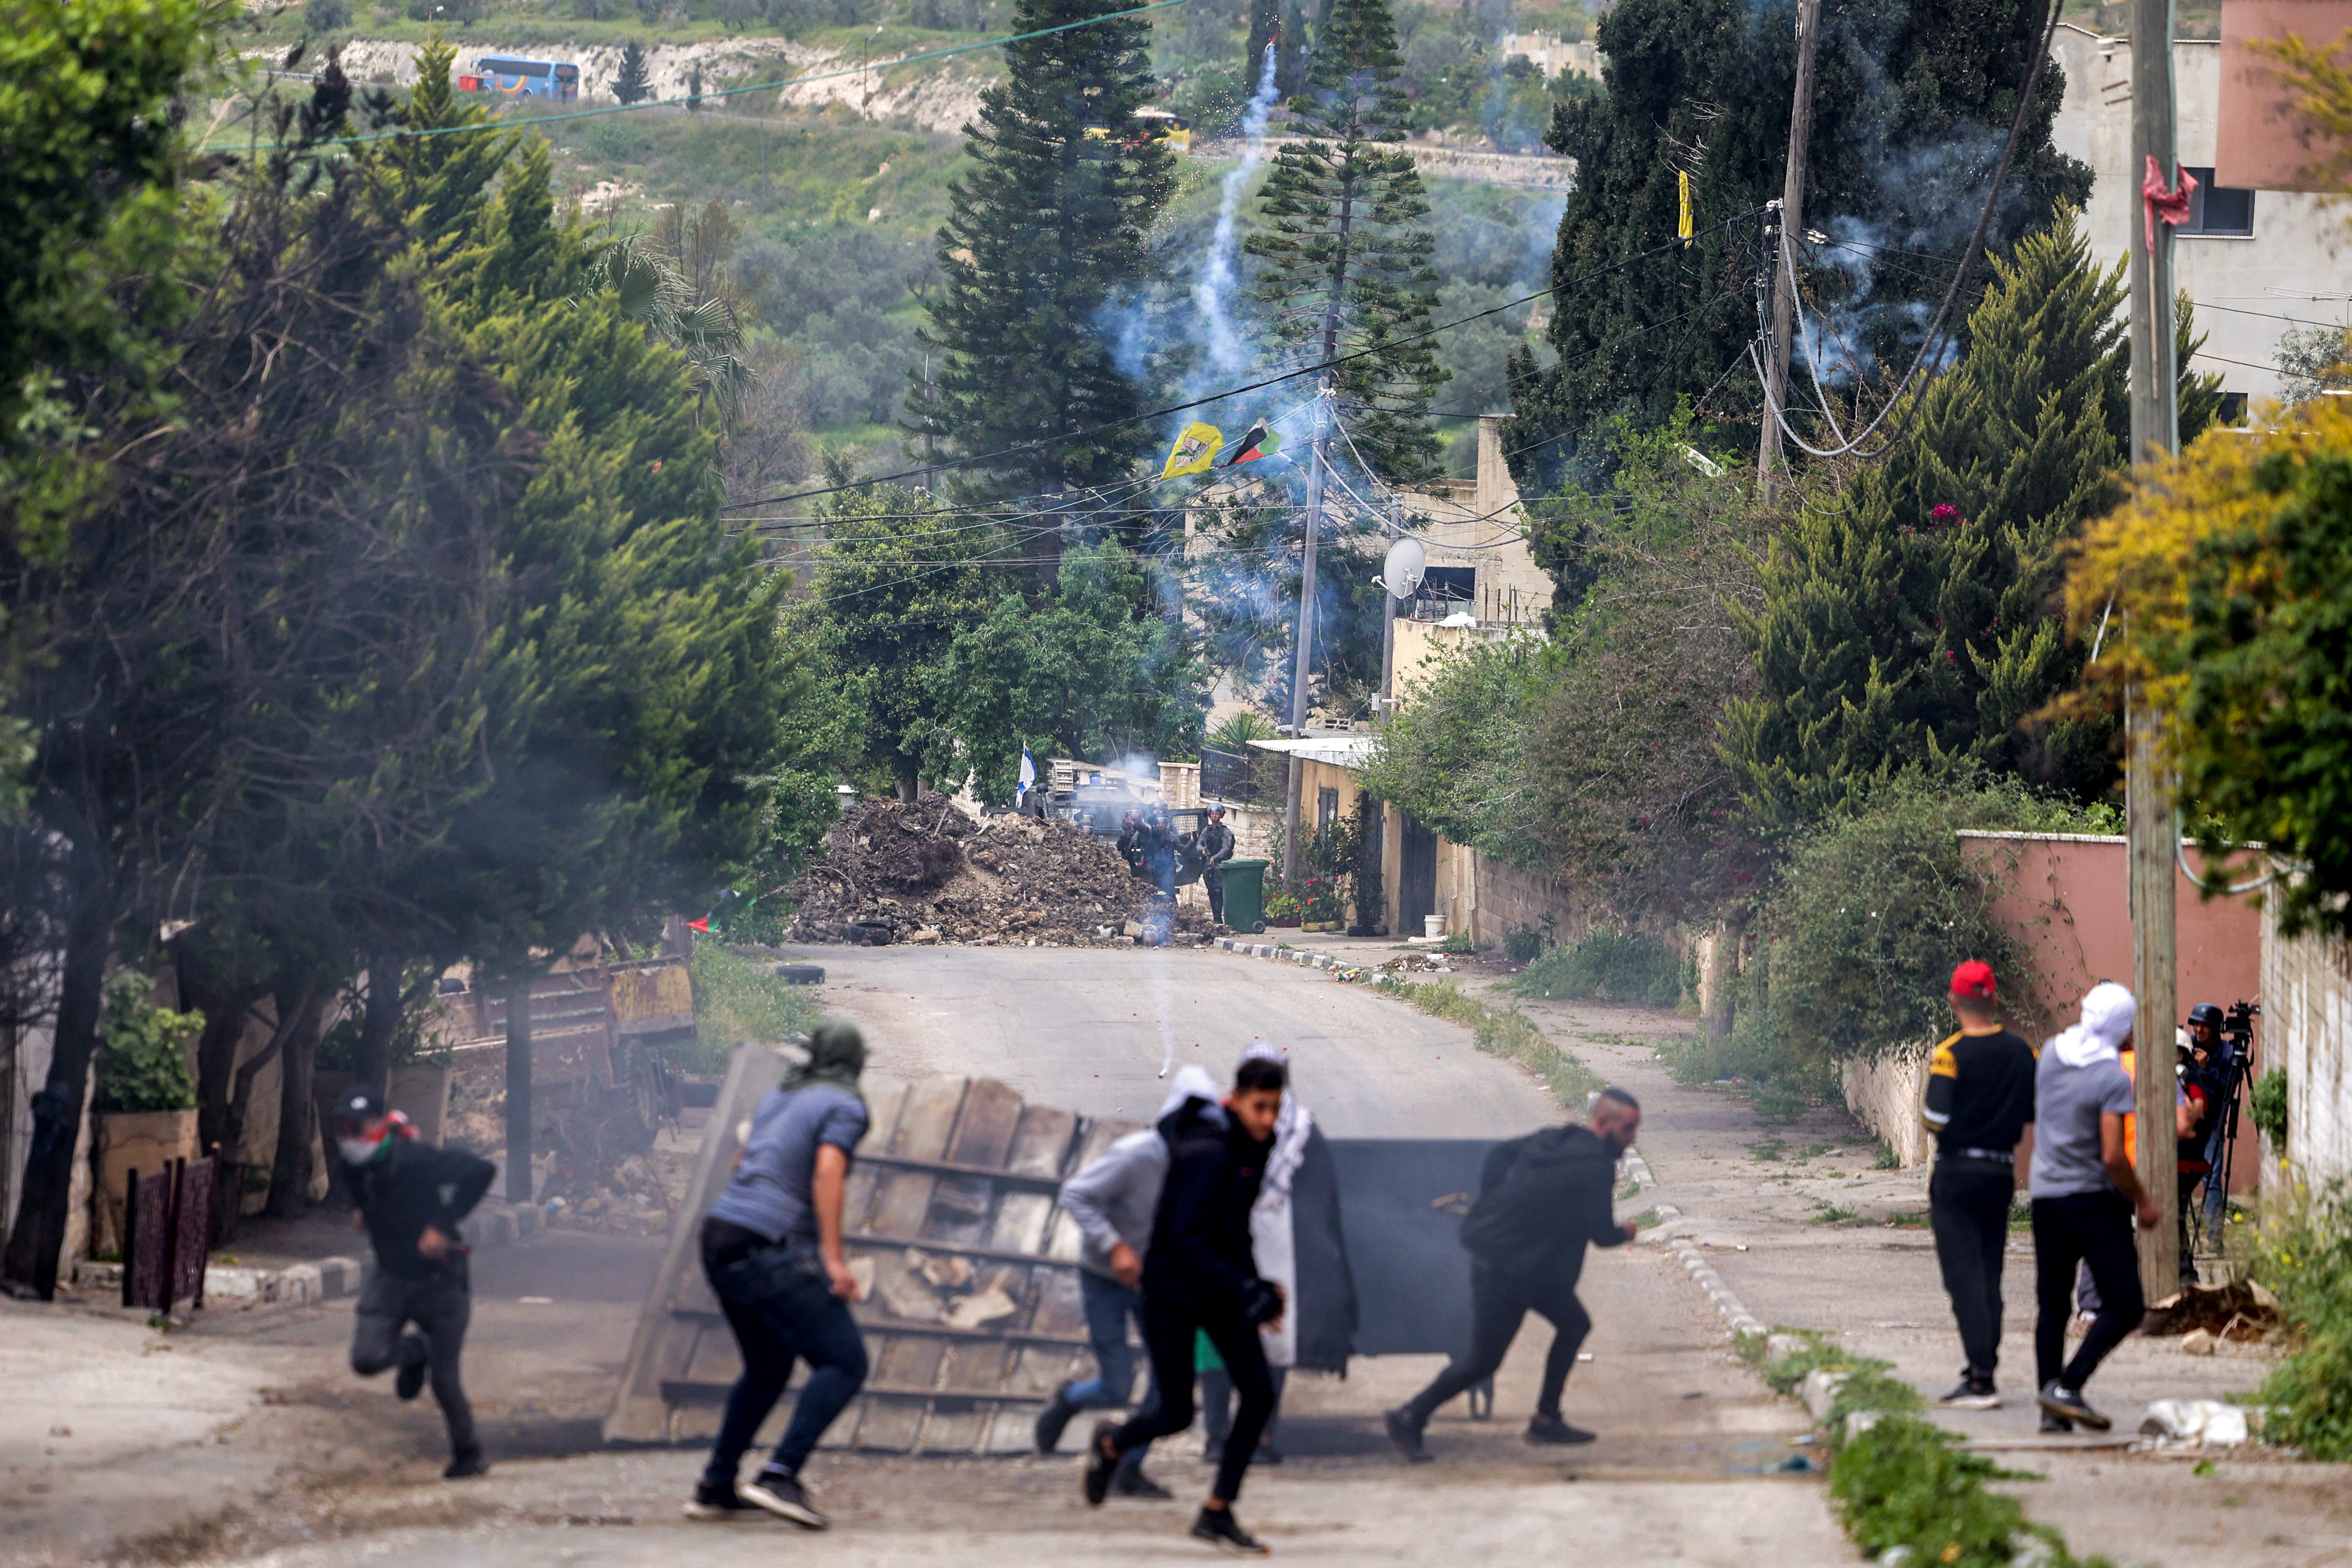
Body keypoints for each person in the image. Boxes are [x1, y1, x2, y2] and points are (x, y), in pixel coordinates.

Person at [1082, 1056, 1288, 1557]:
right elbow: (1187, 1240)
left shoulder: (1257, 1146)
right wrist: (1244, 1289)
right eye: (1259, 1107)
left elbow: (1234, 1227)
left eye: (1275, 1108)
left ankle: (1217, 1509)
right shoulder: (1207, 1151)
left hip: (1217, 1290)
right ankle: (1112, 1442)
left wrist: (1257, 1286)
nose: (1267, 1119)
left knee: (1258, 1393)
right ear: (1235, 1099)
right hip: (1170, 1290)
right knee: (1175, 1410)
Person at [1384, 1088, 1643, 1461]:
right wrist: (1628, 1231)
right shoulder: (1595, 1167)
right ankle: (1409, 1415)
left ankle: (1545, 1418)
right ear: (1603, 1122)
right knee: (1483, 1360)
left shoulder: (1553, 1138)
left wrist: (1495, 1203)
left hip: (1529, 1269)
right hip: (1507, 1270)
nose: (1632, 1137)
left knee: (1573, 1323)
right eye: (1627, 1128)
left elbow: (1499, 1154)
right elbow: (1602, 1235)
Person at [688, 1020, 874, 1528]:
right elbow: (828, 1170)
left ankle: (716, 1484)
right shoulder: (845, 1105)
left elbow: (739, 1162)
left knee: (768, 1365)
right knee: (844, 1360)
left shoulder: (778, 1096)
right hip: (769, 1244)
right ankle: (780, 1473)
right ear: (853, 1061)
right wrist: (832, 1259)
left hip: (720, 1234)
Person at [1033, 1066, 1224, 1498]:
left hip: (1154, 1283)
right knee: (1116, 1384)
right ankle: (1069, 1399)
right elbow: (1076, 1194)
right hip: (1103, 1277)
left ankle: (1127, 1466)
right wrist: (1114, 1245)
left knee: (1167, 1382)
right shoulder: (1135, 1154)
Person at [332, 1083, 498, 1479]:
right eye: (345, 1129)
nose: (351, 1139)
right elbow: (364, 1195)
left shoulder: (416, 1159)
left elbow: (481, 1171)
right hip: (390, 1277)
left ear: (379, 1125)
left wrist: (443, 1224)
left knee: (445, 1383)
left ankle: (469, 1453)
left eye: (359, 1128)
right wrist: (362, 1212)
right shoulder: (351, 1167)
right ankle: (415, 1351)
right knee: (366, 1358)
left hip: (441, 1281)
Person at [2030, 982, 2160, 1433]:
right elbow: (2111, 1154)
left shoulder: (2049, 1053)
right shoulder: (2110, 1077)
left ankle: (2052, 1410)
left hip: (2044, 1196)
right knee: (2125, 1304)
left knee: (2052, 1304)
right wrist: (2142, 1200)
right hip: (2090, 1199)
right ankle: (2068, 1385)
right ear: (2121, 1028)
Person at [1919, 960, 2037, 1411]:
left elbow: (1934, 1118)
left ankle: (1981, 1380)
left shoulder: (1949, 1053)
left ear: (1953, 1000)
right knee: (1989, 1270)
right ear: (1993, 999)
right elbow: (2030, 1112)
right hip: (1999, 1172)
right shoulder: (2020, 1051)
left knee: (1961, 1273)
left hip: (1956, 1173)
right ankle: (1981, 1366)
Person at [1202, 1041, 1311, 1467]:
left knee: (1273, 1341)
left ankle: (1262, 1436)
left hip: (1275, 1241)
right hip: (1223, 1240)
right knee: (1216, 1340)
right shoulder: (1216, 1120)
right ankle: (1215, 1437)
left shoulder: (1300, 1125)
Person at [1201, 807, 1236, 926]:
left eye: (1217, 814)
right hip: (1208, 864)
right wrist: (1203, 850)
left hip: (1220, 865)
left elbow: (1226, 848)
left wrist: (1215, 857)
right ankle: (1215, 916)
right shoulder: (1206, 831)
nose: (1215, 816)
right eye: (1213, 814)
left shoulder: (1225, 832)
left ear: (1221, 815)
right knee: (1211, 891)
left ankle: (1218, 917)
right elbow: (1198, 845)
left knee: (1218, 890)